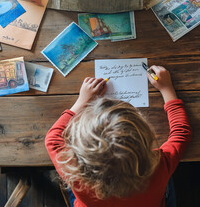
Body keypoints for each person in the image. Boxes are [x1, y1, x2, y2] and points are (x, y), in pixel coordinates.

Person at [45, 65, 192, 207]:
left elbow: (52, 138)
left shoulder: (74, 171)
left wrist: (82, 101)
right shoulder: (159, 166)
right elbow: (181, 132)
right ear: (145, 136)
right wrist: (167, 89)